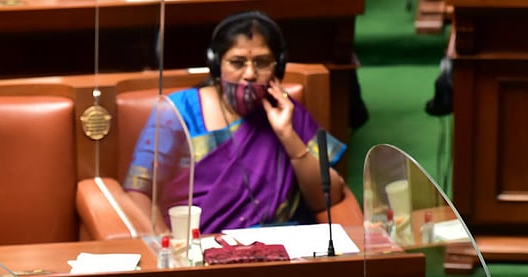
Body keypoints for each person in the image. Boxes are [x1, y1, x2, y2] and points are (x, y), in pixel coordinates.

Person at [124, 10, 355, 234]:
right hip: (200, 249)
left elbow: (330, 197)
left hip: (283, 248)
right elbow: (139, 192)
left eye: (262, 62)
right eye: (237, 62)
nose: (250, 74)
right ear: (216, 65)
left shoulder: (291, 113)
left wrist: (288, 136)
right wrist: (169, 251)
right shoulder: (176, 112)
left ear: (279, 66)